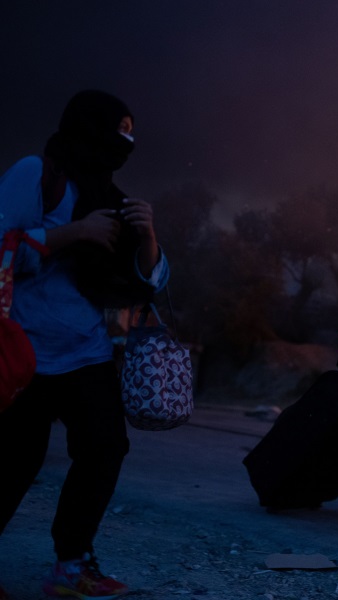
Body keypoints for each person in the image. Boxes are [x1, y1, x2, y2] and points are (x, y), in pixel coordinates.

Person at [0, 90, 169, 599]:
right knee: (16, 461)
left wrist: (147, 237)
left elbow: (144, 280)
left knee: (105, 448)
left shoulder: (109, 195)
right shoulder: (38, 173)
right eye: (118, 131)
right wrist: (74, 232)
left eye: (130, 134)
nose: (126, 144)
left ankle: (72, 566)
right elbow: (2, 247)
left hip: (87, 351)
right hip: (26, 352)